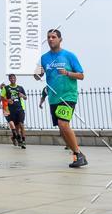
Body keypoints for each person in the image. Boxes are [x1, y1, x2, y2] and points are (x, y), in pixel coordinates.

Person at [34, 29, 87, 168]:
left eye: (53, 37)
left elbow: (81, 75)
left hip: (68, 95)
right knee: (62, 129)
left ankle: (78, 154)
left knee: (63, 124)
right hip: (53, 97)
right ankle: (78, 155)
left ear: (60, 39)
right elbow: (37, 76)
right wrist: (37, 74)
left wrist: (68, 73)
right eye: (48, 37)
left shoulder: (69, 55)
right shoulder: (44, 58)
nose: (51, 39)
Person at [0, 74, 27, 148]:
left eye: (14, 78)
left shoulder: (20, 88)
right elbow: (1, 97)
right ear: (9, 79)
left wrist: (23, 96)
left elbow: (25, 97)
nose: (12, 79)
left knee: (21, 124)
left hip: (20, 109)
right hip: (10, 110)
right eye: (11, 78)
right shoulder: (6, 88)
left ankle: (23, 140)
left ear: (16, 79)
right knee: (15, 127)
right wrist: (7, 100)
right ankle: (17, 138)